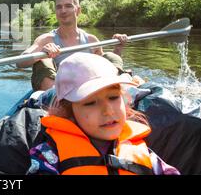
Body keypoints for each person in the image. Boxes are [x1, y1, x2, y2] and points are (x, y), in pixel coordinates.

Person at [27, 52, 179, 175]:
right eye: (90, 103)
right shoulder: (48, 156)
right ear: (69, 111)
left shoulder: (146, 155)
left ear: (125, 100)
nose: (108, 111)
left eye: (113, 97)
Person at [16, 0, 128, 91]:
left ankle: (114, 90)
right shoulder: (46, 39)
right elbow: (20, 62)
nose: (63, 10)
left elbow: (106, 67)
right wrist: (42, 54)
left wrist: (118, 48)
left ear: (78, 10)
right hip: (59, 91)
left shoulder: (91, 40)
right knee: (42, 61)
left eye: (68, 6)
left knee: (110, 57)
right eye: (59, 7)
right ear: (55, 11)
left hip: (88, 89)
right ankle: (56, 102)